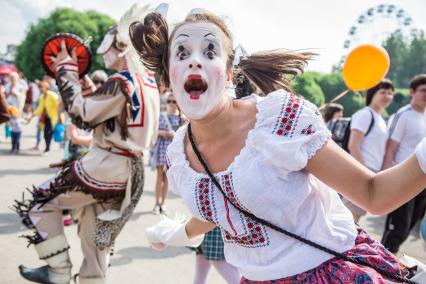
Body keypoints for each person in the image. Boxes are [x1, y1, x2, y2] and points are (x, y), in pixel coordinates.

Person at [134, 11, 426, 283]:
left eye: (210, 51)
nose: (194, 61)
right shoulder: (181, 153)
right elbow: (221, 209)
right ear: (168, 73)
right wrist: (176, 233)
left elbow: (373, 194)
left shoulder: (278, 121)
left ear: (229, 73)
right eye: (182, 53)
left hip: (328, 272)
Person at [14, 4, 160, 284]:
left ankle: (58, 270)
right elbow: (113, 114)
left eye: (108, 44)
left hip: (107, 166)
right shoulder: (146, 83)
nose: (102, 51)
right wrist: (91, 89)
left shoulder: (121, 81)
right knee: (94, 239)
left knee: (41, 201)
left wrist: (66, 71)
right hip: (130, 172)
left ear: (121, 46)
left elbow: (82, 114)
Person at [381, 74, 426, 254]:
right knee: (397, 228)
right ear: (412, 92)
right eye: (423, 90)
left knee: (408, 227)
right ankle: (381, 266)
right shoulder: (404, 115)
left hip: (422, 183)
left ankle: (390, 265)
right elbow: (391, 148)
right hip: (403, 180)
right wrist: (383, 179)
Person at [345, 79, 394, 222]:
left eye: (390, 93)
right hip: (362, 170)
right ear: (372, 94)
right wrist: (365, 174)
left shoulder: (380, 118)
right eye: (383, 92)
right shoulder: (366, 114)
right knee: (350, 216)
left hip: (371, 171)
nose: (387, 96)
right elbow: (353, 145)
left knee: (355, 215)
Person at [151, 92, 186, 214]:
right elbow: (153, 131)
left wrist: (174, 135)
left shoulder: (181, 118)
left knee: (167, 179)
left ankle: (163, 203)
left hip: (173, 152)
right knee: (159, 177)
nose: (171, 104)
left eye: (174, 101)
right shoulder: (161, 116)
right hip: (162, 149)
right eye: (169, 101)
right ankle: (156, 203)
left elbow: (185, 136)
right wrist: (163, 133)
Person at [27, 81, 59, 153]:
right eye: (40, 87)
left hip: (52, 117)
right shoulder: (42, 97)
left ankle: (48, 148)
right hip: (45, 118)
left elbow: (58, 105)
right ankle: (47, 147)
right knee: (45, 133)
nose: (41, 89)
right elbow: (40, 108)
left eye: (42, 87)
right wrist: (32, 115)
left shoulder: (52, 95)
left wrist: (59, 116)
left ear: (46, 87)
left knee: (49, 133)